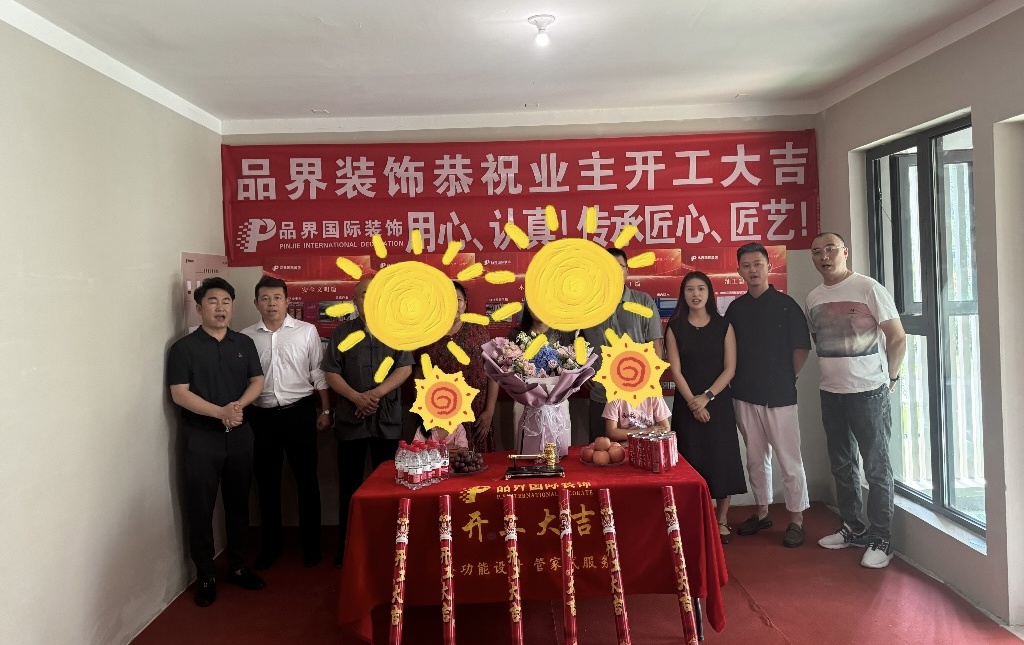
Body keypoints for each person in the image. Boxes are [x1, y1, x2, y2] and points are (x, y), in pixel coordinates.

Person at [806, 232, 907, 569]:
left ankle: (882, 538)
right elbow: (821, 340)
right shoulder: (814, 298)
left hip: (868, 392)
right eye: (817, 252)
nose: (824, 256)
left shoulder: (868, 288)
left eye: (830, 249)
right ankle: (853, 527)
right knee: (842, 465)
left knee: (876, 467)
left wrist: (891, 377)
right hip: (831, 391)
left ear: (845, 252)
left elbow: (897, 337)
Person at [167, 277, 267, 607]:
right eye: (212, 302)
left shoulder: (244, 343)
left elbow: (257, 380)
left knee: (239, 505)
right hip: (201, 439)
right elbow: (180, 394)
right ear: (199, 308)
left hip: (240, 436)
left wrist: (237, 407)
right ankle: (206, 574)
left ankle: (238, 565)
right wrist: (220, 412)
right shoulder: (183, 348)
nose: (221, 308)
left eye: (226, 302)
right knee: (201, 507)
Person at [322, 277, 414, 568]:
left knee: (389, 486)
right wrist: (356, 398)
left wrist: (374, 395)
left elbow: (405, 368)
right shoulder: (342, 333)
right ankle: (348, 549)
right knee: (349, 487)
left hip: (386, 420)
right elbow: (331, 372)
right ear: (355, 301)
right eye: (364, 295)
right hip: (351, 419)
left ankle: (389, 548)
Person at [725, 243, 812, 548]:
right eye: (746, 265)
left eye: (757, 264)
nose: (752, 270)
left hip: (779, 394)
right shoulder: (736, 309)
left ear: (769, 267)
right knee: (755, 457)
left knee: (789, 459)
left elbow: (801, 349)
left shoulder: (786, 305)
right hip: (744, 393)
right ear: (739, 271)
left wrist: (786, 377)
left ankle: (796, 518)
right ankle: (762, 511)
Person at [241, 276, 331, 570]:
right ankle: (271, 546)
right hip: (261, 416)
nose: (272, 304)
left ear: (287, 301)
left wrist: (326, 410)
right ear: (256, 303)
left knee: (307, 481)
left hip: (299, 413)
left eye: (277, 298)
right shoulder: (246, 337)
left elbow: (318, 372)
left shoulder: (306, 331)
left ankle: (311, 546)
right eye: (265, 299)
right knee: (266, 484)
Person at [665, 271, 746, 544]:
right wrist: (693, 402)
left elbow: (730, 368)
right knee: (690, 459)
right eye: (690, 289)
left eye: (701, 288)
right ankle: (693, 519)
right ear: (683, 294)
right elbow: (675, 370)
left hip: (718, 402)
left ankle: (721, 520)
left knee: (722, 458)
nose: (696, 294)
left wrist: (707, 397)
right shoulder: (675, 327)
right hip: (686, 404)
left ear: (709, 293)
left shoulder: (724, 325)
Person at [582, 248, 664, 442]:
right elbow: (575, 343)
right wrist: (581, 371)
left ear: (627, 270)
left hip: (637, 400)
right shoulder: (586, 306)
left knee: (638, 454)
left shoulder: (643, 302)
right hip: (601, 395)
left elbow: (656, 345)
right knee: (600, 452)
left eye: (618, 266)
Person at [416, 281, 499, 453]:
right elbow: (419, 376)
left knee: (477, 464)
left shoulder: (479, 332)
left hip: (477, 417)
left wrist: (489, 412)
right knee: (445, 462)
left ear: (465, 304)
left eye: (458, 300)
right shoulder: (428, 336)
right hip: (441, 419)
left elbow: (494, 372)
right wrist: (425, 415)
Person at [601, 395, 671, 442]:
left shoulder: (654, 396)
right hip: (623, 445)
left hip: (648, 443)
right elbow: (611, 433)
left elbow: (666, 428)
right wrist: (646, 431)